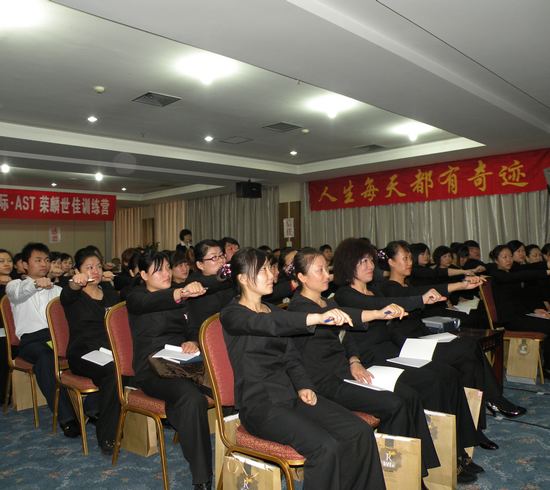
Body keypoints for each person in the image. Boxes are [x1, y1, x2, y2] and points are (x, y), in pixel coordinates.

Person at [220, 247, 385, 490]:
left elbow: (291, 357)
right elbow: (266, 324)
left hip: (291, 397)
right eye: (263, 270)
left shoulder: (274, 310)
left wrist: (304, 385)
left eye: (270, 268)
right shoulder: (232, 314)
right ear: (243, 278)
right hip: (260, 405)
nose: (272, 275)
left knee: (359, 431)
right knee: (324, 447)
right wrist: (316, 318)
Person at [288, 248, 442, 481]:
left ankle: (416, 471)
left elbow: (346, 335)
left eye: (326, 269)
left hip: (346, 373)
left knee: (408, 395)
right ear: (302, 277)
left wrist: (354, 360)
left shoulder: (326, 302)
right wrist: (378, 313)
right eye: (319, 271)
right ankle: (396, 475)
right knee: (394, 404)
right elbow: (345, 315)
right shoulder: (299, 309)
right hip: (325, 383)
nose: (327, 275)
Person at [378, 240, 527, 421]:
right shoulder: (388, 288)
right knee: (468, 347)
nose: (410, 262)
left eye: (410, 258)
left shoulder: (407, 284)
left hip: (423, 337)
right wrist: (460, 285)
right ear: (391, 262)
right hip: (408, 344)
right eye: (405, 258)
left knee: (469, 362)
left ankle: (473, 417)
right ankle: (495, 399)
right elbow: (420, 293)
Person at [127, 250, 212, 490]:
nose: (166, 273)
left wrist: (192, 341)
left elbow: (193, 328)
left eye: (167, 268)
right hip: (151, 368)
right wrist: (180, 292)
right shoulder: (135, 297)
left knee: (223, 382)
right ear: (144, 275)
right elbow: (151, 302)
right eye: (158, 270)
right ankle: (202, 476)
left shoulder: (178, 297)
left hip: (182, 363)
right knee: (192, 398)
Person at [5, 242, 79, 437]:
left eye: (46, 260)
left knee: (85, 350)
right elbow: (20, 293)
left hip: (58, 339)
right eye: (38, 260)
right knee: (45, 358)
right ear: (24, 264)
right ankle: (67, 417)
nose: (44, 264)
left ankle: (93, 408)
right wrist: (37, 284)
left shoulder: (57, 290)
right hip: (31, 342)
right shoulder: (15, 286)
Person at [61, 247, 121, 454]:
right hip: (83, 353)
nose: (95, 271)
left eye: (98, 266)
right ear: (77, 270)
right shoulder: (73, 296)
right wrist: (74, 282)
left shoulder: (110, 293)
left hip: (110, 350)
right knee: (113, 371)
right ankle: (107, 434)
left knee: (135, 363)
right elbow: (68, 292)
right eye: (89, 267)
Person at [0, 249, 14, 404]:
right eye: (1, 261)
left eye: (9, 261)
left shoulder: (17, 282)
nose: (6, 264)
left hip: (15, 333)